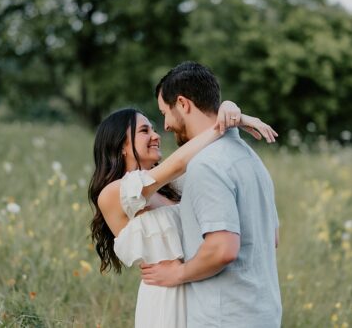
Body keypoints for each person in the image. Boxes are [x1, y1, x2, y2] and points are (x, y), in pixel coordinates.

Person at [88, 102, 277, 327]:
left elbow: (207, 162)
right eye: (144, 131)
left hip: (198, 291)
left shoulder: (171, 186)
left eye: (153, 128)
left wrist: (229, 108)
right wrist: (229, 122)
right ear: (121, 146)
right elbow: (178, 162)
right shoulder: (114, 194)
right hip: (164, 299)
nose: (156, 135)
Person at [139, 62, 284, 327]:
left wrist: (178, 273)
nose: (166, 126)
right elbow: (272, 236)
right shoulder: (251, 159)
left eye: (165, 113)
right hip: (263, 313)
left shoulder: (207, 165)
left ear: (182, 103)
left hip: (225, 317)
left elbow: (223, 249)